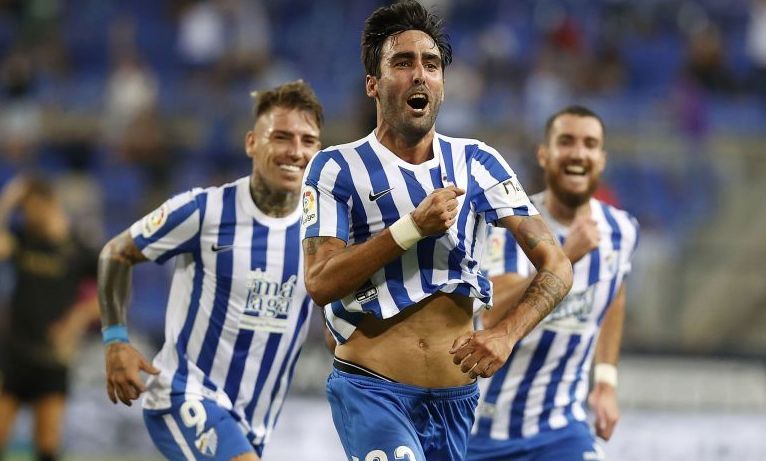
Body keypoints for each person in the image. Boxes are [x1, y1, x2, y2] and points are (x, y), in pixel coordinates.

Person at [301, 3, 573, 461]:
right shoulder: (335, 168)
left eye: (431, 64)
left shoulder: (478, 163)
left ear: (443, 86)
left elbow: (558, 266)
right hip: (373, 392)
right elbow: (320, 281)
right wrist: (410, 229)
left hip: (456, 403)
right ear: (373, 83)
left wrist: (506, 333)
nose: (419, 75)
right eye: (402, 63)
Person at [98, 80, 323, 461]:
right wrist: (116, 339)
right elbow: (116, 252)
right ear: (252, 143)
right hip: (185, 393)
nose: (295, 151)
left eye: (308, 140)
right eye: (282, 137)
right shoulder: (205, 210)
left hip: (254, 422)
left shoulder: (322, 230)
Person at [466, 106, 640, 461]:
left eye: (590, 144)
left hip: (564, 429)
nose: (578, 153)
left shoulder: (621, 231)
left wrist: (605, 381)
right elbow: (492, 314)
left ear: (601, 160)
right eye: (566, 142)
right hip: (485, 430)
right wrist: (562, 257)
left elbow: (614, 294)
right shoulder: (513, 226)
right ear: (544, 155)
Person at [0, 176, 100, 461]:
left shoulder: (79, 249)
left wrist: (76, 320)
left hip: (53, 358)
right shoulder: (23, 239)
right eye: (26, 209)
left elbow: (112, 293)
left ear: (51, 205)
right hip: (14, 354)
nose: (29, 214)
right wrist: (7, 201)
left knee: (47, 446)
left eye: (33, 207)